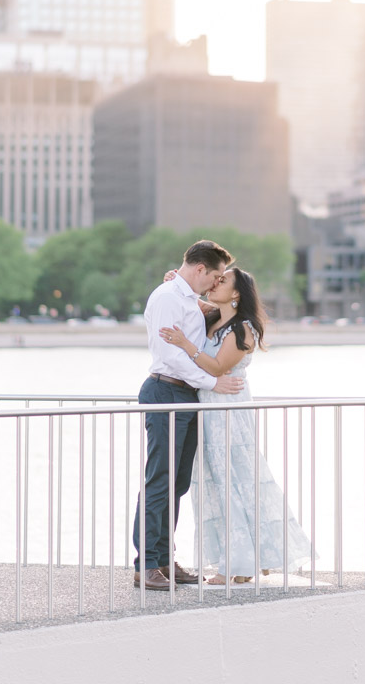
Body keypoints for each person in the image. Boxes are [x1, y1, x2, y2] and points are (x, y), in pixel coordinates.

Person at [160, 266, 312, 584]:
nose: (215, 283)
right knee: (218, 484)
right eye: (215, 278)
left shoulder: (243, 328)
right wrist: (176, 280)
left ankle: (239, 565)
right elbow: (190, 298)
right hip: (211, 411)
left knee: (235, 482)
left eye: (223, 280)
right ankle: (248, 561)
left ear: (237, 292)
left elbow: (217, 366)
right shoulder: (215, 318)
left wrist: (185, 344)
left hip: (228, 412)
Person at [132, 239, 244, 592]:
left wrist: (205, 385)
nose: (216, 283)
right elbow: (173, 354)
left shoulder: (186, 299)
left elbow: (219, 318)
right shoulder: (167, 298)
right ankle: (146, 564)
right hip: (166, 390)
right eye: (214, 276)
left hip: (187, 394)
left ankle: (164, 560)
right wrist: (212, 381)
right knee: (159, 481)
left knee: (177, 484)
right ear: (199, 270)